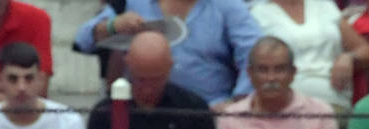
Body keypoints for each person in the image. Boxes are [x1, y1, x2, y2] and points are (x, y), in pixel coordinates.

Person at [74, 0, 263, 106]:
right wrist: (111, 26)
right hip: (141, 110)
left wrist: (239, 102)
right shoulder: (130, 2)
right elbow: (83, 40)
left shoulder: (228, 6)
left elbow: (255, 52)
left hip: (211, 109)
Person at [88, 31, 214, 129]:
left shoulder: (194, 109)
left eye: (156, 80)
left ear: (169, 67)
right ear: (128, 65)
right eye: (141, 79)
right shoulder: (104, 113)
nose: (148, 89)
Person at [215, 36, 339, 129]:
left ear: (293, 73)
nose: (271, 78)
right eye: (263, 70)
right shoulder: (231, 117)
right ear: (250, 74)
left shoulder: (320, 112)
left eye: (279, 70)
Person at [252, 0, 369, 111]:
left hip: (333, 101)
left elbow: (365, 50)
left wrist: (349, 58)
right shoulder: (257, 14)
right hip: (286, 106)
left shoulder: (325, 6)